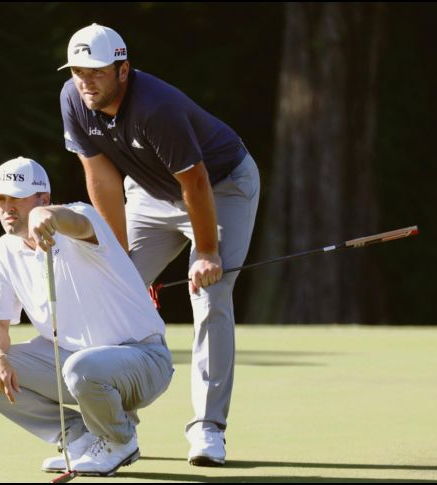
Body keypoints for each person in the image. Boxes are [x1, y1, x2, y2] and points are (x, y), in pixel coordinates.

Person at [58, 24, 260, 466]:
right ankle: (113, 427)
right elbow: (101, 178)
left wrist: (207, 252)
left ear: (123, 69)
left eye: (95, 71)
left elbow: (197, 181)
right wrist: (119, 261)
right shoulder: (73, 99)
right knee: (112, 289)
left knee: (210, 292)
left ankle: (208, 429)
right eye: (77, 71)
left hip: (222, 187)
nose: (85, 81)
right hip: (151, 194)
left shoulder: (156, 107)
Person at [0, 156, 173, 477]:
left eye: (17, 197)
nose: (7, 207)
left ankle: (119, 440)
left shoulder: (80, 219)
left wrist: (49, 216)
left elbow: (76, 222)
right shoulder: (4, 250)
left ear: (43, 198)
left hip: (142, 360)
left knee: (80, 368)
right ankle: (80, 435)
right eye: (1, 199)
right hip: (75, 364)